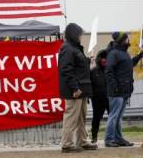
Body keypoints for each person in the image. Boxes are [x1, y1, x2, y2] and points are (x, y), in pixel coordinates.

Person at [58, 23, 98, 153]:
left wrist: (88, 61)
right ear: (74, 34)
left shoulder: (75, 49)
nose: (81, 36)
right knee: (71, 117)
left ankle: (82, 141)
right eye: (80, 34)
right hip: (74, 91)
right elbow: (66, 70)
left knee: (81, 118)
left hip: (82, 89)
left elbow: (78, 67)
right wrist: (75, 88)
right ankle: (67, 144)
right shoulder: (68, 49)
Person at [105, 32, 143, 147]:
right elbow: (109, 71)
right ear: (123, 40)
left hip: (125, 90)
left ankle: (118, 138)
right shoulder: (114, 53)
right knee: (114, 116)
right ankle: (109, 139)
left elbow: (130, 64)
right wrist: (115, 87)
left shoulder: (124, 53)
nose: (129, 40)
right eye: (127, 38)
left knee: (118, 117)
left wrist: (141, 54)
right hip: (117, 91)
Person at [90, 49, 109, 143]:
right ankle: (94, 137)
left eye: (106, 58)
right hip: (97, 99)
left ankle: (112, 137)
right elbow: (89, 84)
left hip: (109, 98)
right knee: (96, 119)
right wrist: (91, 96)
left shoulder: (110, 69)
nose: (104, 60)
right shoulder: (93, 71)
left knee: (113, 118)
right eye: (102, 58)